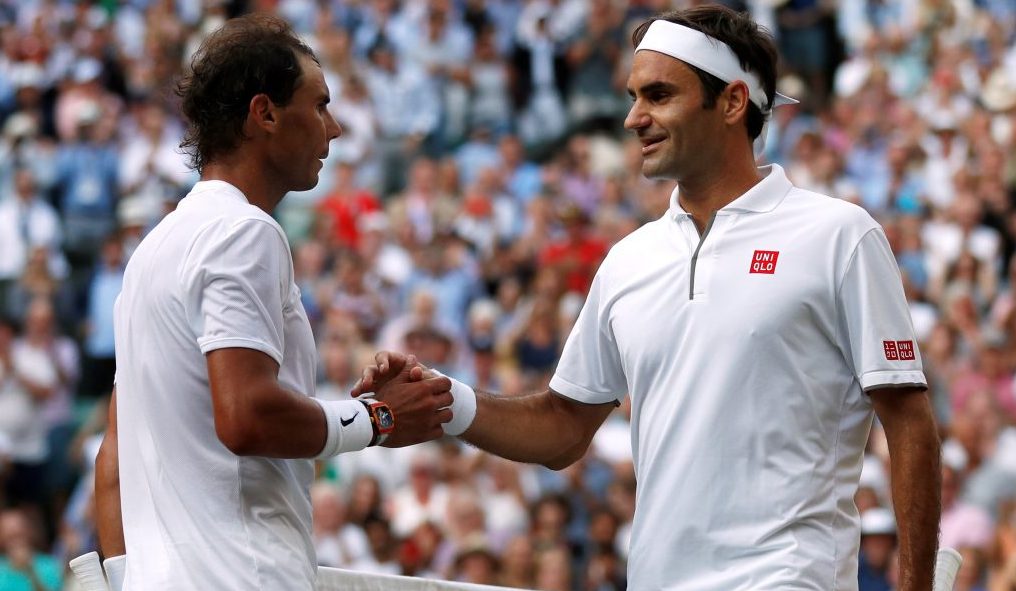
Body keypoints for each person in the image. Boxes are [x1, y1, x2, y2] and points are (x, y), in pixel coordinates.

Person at [356, 6, 942, 590]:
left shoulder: (840, 234)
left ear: (734, 102)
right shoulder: (628, 261)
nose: (634, 117)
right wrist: (440, 398)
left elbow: (908, 423)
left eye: (659, 95)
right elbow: (562, 428)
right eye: (634, 96)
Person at [93, 14, 453, 591]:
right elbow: (246, 415)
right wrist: (379, 419)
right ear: (264, 113)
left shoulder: (151, 252)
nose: (333, 129)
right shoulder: (244, 233)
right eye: (318, 105)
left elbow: (112, 460)